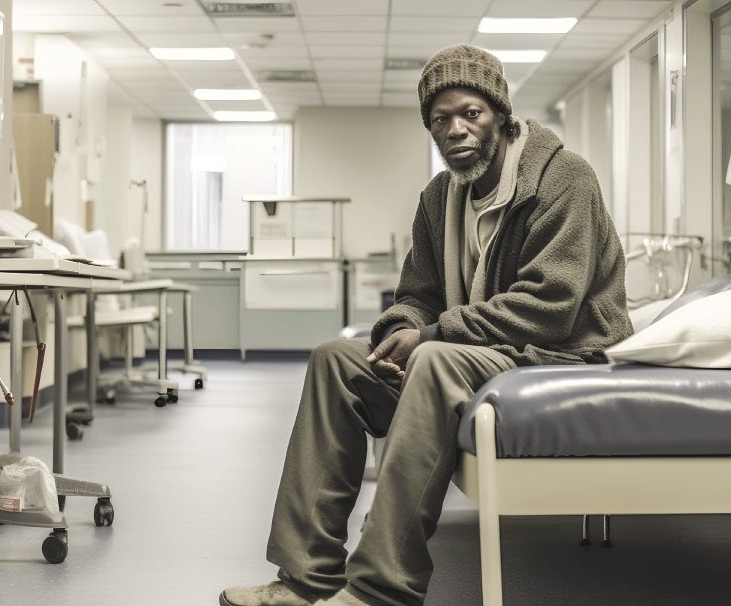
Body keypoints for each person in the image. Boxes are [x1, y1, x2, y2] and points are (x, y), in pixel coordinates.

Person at [220, 43, 633, 606]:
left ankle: (378, 589)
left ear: (501, 114)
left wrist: (433, 335)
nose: (456, 129)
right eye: (441, 119)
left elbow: (551, 305)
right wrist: (402, 328)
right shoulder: (440, 196)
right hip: (479, 351)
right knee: (334, 360)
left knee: (436, 359)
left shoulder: (562, 178)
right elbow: (417, 294)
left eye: (471, 113)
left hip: (553, 354)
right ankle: (304, 577)